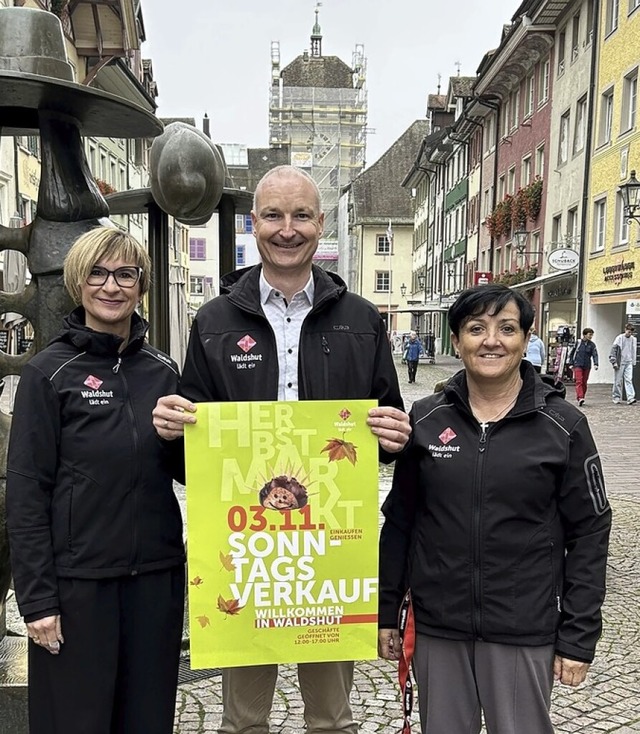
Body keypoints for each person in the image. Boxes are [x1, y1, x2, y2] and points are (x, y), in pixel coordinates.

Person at [152, 165, 411, 734]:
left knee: (333, 719)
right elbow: (193, 453)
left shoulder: (363, 319)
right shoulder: (215, 320)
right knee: (242, 721)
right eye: (273, 215)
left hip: (330, 545)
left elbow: (384, 435)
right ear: (254, 224)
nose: (286, 228)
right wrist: (174, 429)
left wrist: (395, 436)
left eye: (300, 215)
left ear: (321, 225)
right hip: (245, 550)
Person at [378, 284, 611, 734]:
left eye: (506, 329)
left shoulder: (563, 425)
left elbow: (590, 531)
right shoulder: (426, 420)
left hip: (524, 626)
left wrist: (579, 636)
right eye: (476, 328)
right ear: (456, 341)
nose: (491, 340)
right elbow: (401, 522)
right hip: (439, 627)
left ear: (525, 339)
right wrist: (387, 611)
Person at [6, 227, 186, 734]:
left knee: (147, 720)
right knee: (75, 722)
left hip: (155, 581)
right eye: (98, 274)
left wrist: (180, 439)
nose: (112, 286)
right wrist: (37, 601)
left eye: (125, 274)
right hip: (78, 589)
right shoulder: (49, 373)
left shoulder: (163, 372)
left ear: (141, 284)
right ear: (78, 283)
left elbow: (190, 474)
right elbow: (25, 493)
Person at [568, 328, 599, 406]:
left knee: (584, 382)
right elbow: (572, 353)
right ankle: (580, 397)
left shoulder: (592, 345)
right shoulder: (578, 343)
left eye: (592, 335)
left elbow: (595, 354)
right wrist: (571, 363)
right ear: (585, 334)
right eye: (589, 334)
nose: (591, 336)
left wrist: (596, 363)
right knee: (579, 381)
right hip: (578, 364)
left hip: (587, 365)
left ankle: (582, 397)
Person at [610, 323, 637, 405]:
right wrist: (614, 362)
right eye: (629, 332)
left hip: (628, 361)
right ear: (625, 330)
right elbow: (614, 350)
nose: (630, 334)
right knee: (618, 380)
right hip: (620, 362)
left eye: (631, 333)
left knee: (629, 379)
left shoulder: (633, 339)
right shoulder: (619, 338)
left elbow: (633, 350)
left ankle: (630, 397)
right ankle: (616, 397)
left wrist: (633, 361)